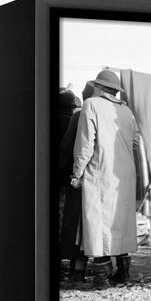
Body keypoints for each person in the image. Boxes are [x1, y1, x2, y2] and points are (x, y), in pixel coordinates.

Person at [71, 70, 139, 287]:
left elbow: (85, 144)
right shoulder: (126, 111)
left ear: (98, 87)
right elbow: (136, 141)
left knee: (97, 223)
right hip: (124, 173)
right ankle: (123, 272)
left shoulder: (91, 104)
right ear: (115, 91)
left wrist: (77, 172)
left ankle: (102, 276)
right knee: (121, 221)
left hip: (100, 170)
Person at [59, 82, 96, 283]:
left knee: (75, 224)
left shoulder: (79, 116)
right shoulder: (115, 114)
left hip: (79, 178)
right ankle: (101, 270)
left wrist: (68, 175)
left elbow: (67, 149)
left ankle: (76, 270)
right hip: (103, 180)